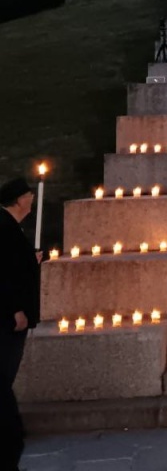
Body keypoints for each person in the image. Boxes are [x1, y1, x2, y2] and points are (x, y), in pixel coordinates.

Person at [0, 178, 41, 471]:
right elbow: (3, 273)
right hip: (7, 318)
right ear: (18, 199)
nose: (32, 200)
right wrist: (15, 309)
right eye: (29, 195)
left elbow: (15, 265)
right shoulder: (3, 227)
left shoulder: (10, 227)